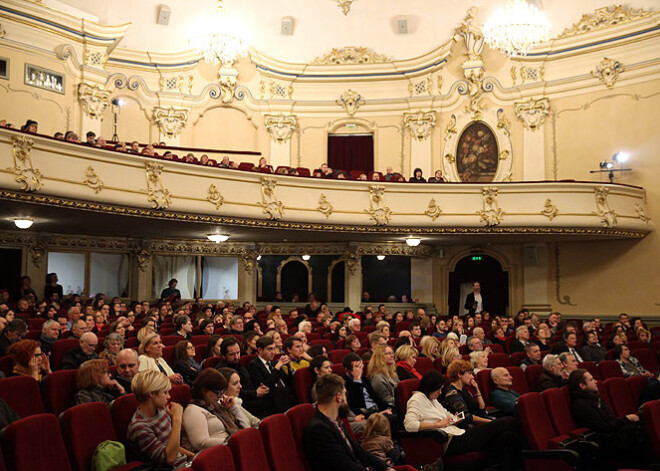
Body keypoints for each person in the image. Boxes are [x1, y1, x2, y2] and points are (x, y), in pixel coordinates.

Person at [404, 370, 520, 470]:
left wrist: (455, 419)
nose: (440, 393)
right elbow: (409, 425)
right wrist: (437, 424)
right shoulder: (416, 400)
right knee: (506, 422)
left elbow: (447, 415)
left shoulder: (433, 400)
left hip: (459, 432)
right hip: (450, 441)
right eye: (438, 390)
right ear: (430, 387)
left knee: (507, 437)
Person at [303, 373, 395, 471]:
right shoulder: (319, 429)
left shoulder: (334, 421)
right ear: (338, 397)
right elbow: (343, 465)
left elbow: (358, 450)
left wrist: (385, 467)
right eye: (345, 394)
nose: (346, 399)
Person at [569, 369, 643, 462]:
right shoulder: (581, 405)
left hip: (613, 433)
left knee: (640, 423)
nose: (596, 381)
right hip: (606, 442)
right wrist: (626, 419)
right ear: (582, 385)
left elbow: (611, 419)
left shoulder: (594, 397)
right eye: (591, 380)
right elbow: (604, 427)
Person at [127, 370, 194, 468]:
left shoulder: (161, 411)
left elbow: (172, 446)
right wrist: (177, 419)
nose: (169, 396)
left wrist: (193, 456)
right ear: (152, 394)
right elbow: (169, 458)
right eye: (165, 392)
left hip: (184, 464)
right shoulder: (139, 427)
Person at [182, 369, 251, 452]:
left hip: (233, 448)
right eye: (218, 393)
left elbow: (247, 428)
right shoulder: (193, 410)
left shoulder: (217, 407)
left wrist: (234, 409)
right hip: (219, 453)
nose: (220, 396)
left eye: (222, 392)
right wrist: (234, 440)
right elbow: (200, 443)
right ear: (204, 391)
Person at [215, 337, 269, 417]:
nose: (237, 357)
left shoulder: (240, 367)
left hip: (249, 398)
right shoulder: (221, 371)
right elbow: (230, 392)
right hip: (237, 402)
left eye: (238, 353)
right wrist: (255, 393)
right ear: (223, 356)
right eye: (232, 354)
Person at [246, 336, 294, 417]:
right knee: (280, 391)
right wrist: (277, 368)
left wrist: (289, 368)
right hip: (269, 401)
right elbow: (265, 387)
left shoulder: (274, 363)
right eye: (269, 349)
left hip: (284, 397)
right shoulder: (254, 365)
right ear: (260, 350)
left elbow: (288, 381)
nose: (273, 352)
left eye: (274, 348)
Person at [442, 360, 491, 426]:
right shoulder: (452, 393)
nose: (472, 377)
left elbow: (482, 409)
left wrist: (477, 389)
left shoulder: (464, 390)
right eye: (469, 373)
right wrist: (489, 421)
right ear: (459, 374)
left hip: (480, 423)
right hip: (469, 427)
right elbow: (466, 416)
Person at [367, 345, 399, 409]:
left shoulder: (392, 374)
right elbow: (387, 400)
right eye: (388, 353)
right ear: (380, 357)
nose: (392, 355)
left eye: (392, 353)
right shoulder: (377, 378)